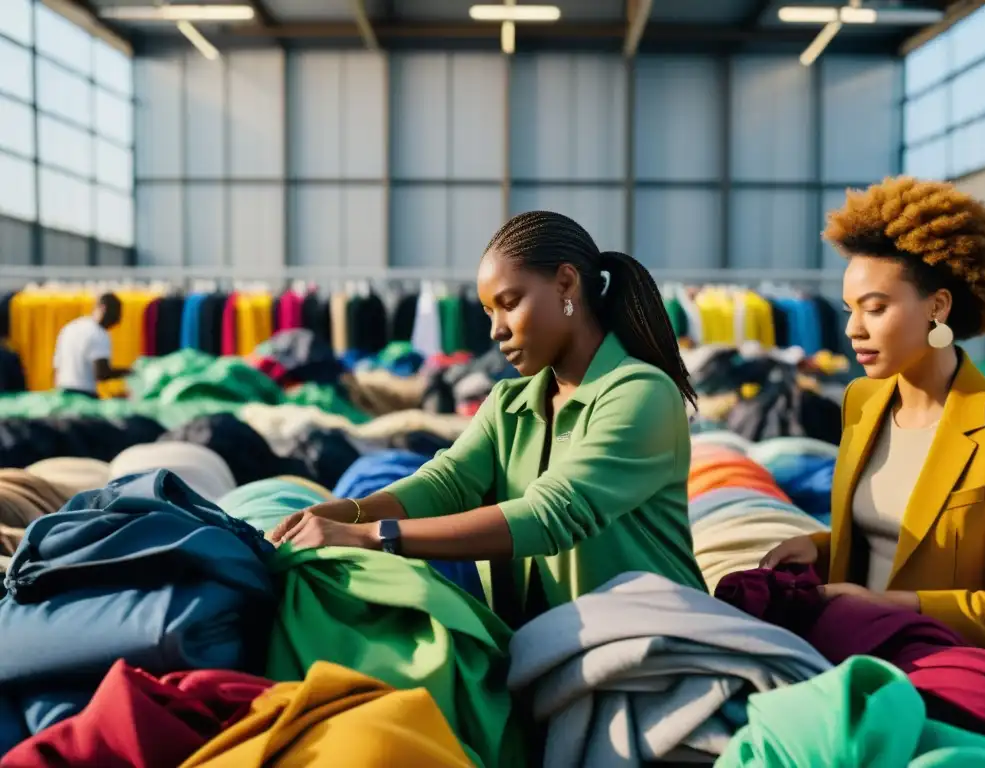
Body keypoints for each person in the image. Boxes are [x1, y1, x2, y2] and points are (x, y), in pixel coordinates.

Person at [271, 210, 707, 618]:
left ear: (566, 285)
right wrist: (335, 515)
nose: (496, 329)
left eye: (510, 302)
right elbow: (444, 485)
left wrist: (371, 536)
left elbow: (550, 515)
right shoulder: (508, 404)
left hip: (659, 642)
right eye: (488, 311)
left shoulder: (642, 393)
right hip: (545, 655)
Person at [760, 176, 985, 663]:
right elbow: (885, 537)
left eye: (875, 309)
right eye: (848, 310)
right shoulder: (862, 400)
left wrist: (895, 606)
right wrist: (818, 549)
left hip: (952, 675)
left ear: (937, 307)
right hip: (852, 656)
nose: (852, 329)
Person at [52, 293, 129, 398]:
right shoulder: (99, 333)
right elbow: (101, 373)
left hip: (61, 393)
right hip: (83, 395)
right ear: (103, 308)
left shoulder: (70, 327)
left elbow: (56, 368)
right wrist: (130, 372)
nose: (118, 320)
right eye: (116, 314)